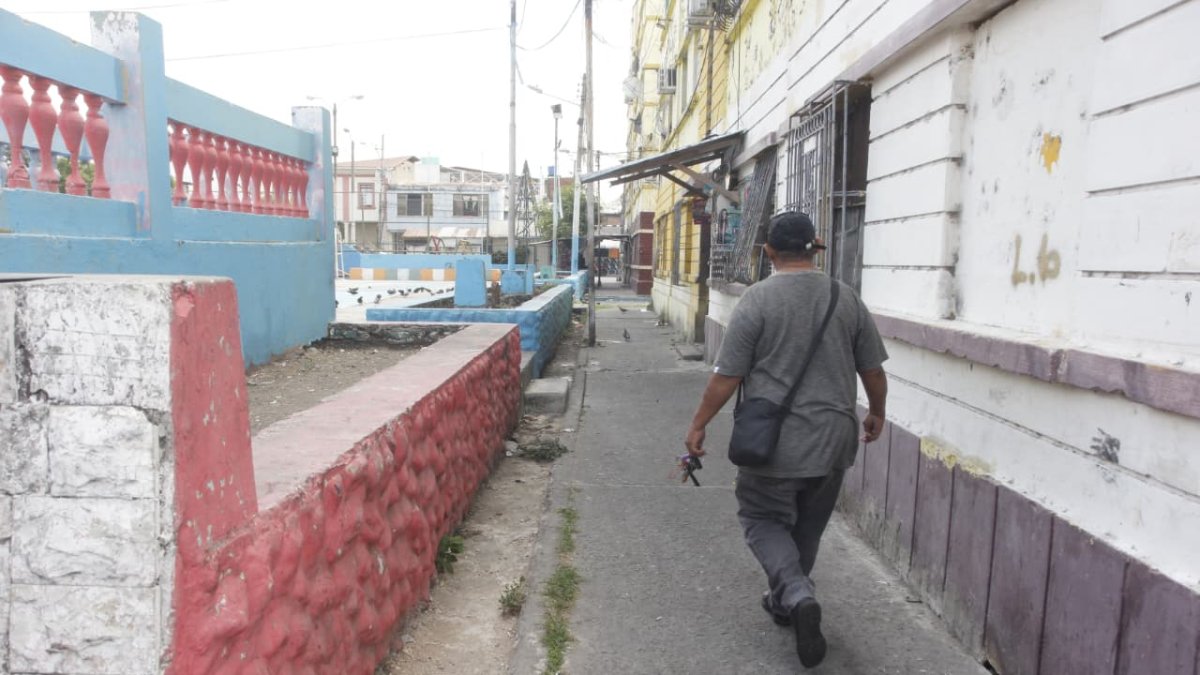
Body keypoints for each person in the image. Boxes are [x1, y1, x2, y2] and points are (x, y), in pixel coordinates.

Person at [685, 211, 889, 669]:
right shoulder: (845, 297)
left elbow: (727, 376)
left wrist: (698, 424)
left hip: (774, 442)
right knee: (807, 528)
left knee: (761, 518)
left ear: (769, 252)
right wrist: (876, 412)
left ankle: (797, 593)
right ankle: (786, 604)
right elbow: (873, 370)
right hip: (834, 438)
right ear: (815, 247)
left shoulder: (756, 300)